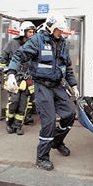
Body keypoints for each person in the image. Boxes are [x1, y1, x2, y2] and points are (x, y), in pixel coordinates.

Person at [6, 13, 79, 171]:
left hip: (58, 86)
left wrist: (73, 85)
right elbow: (19, 55)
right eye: (59, 30)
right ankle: (42, 157)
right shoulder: (37, 40)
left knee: (70, 114)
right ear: (51, 27)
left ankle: (57, 141)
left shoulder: (63, 43)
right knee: (49, 121)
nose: (62, 33)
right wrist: (11, 72)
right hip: (42, 86)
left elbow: (68, 68)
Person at [0, 21, 36, 135]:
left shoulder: (34, 45)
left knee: (23, 104)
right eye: (30, 31)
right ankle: (9, 123)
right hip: (14, 77)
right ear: (23, 32)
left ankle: (18, 125)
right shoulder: (12, 43)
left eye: (33, 32)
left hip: (27, 79)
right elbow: (3, 58)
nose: (32, 34)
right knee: (14, 101)